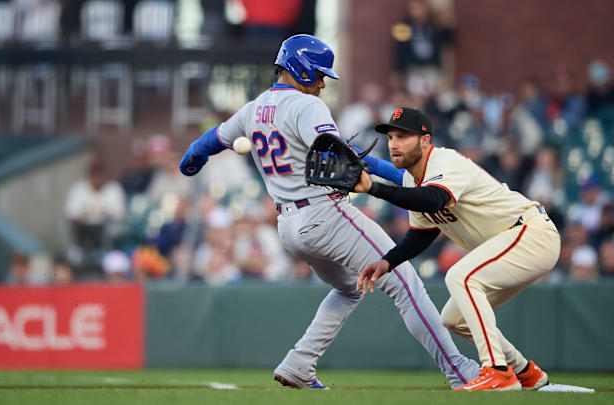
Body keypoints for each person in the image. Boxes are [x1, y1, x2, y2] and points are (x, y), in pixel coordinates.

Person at [179, 34, 478, 389]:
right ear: (300, 69)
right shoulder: (308, 107)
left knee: (351, 287)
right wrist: (396, 175)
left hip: (289, 225)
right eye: (319, 74)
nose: (322, 83)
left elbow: (215, 137)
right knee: (406, 284)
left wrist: (194, 154)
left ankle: (299, 363)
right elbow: (338, 154)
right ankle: (461, 372)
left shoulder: (254, 108)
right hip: (323, 213)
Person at [355, 107, 560, 391]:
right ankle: (525, 372)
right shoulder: (410, 179)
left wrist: (373, 188)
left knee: (461, 276)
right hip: (510, 242)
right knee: (454, 318)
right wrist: (387, 262)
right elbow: (421, 234)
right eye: (390, 137)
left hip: (530, 231)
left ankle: (497, 371)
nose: (393, 144)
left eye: (403, 136)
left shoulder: (445, 161)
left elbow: (433, 199)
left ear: (425, 140)